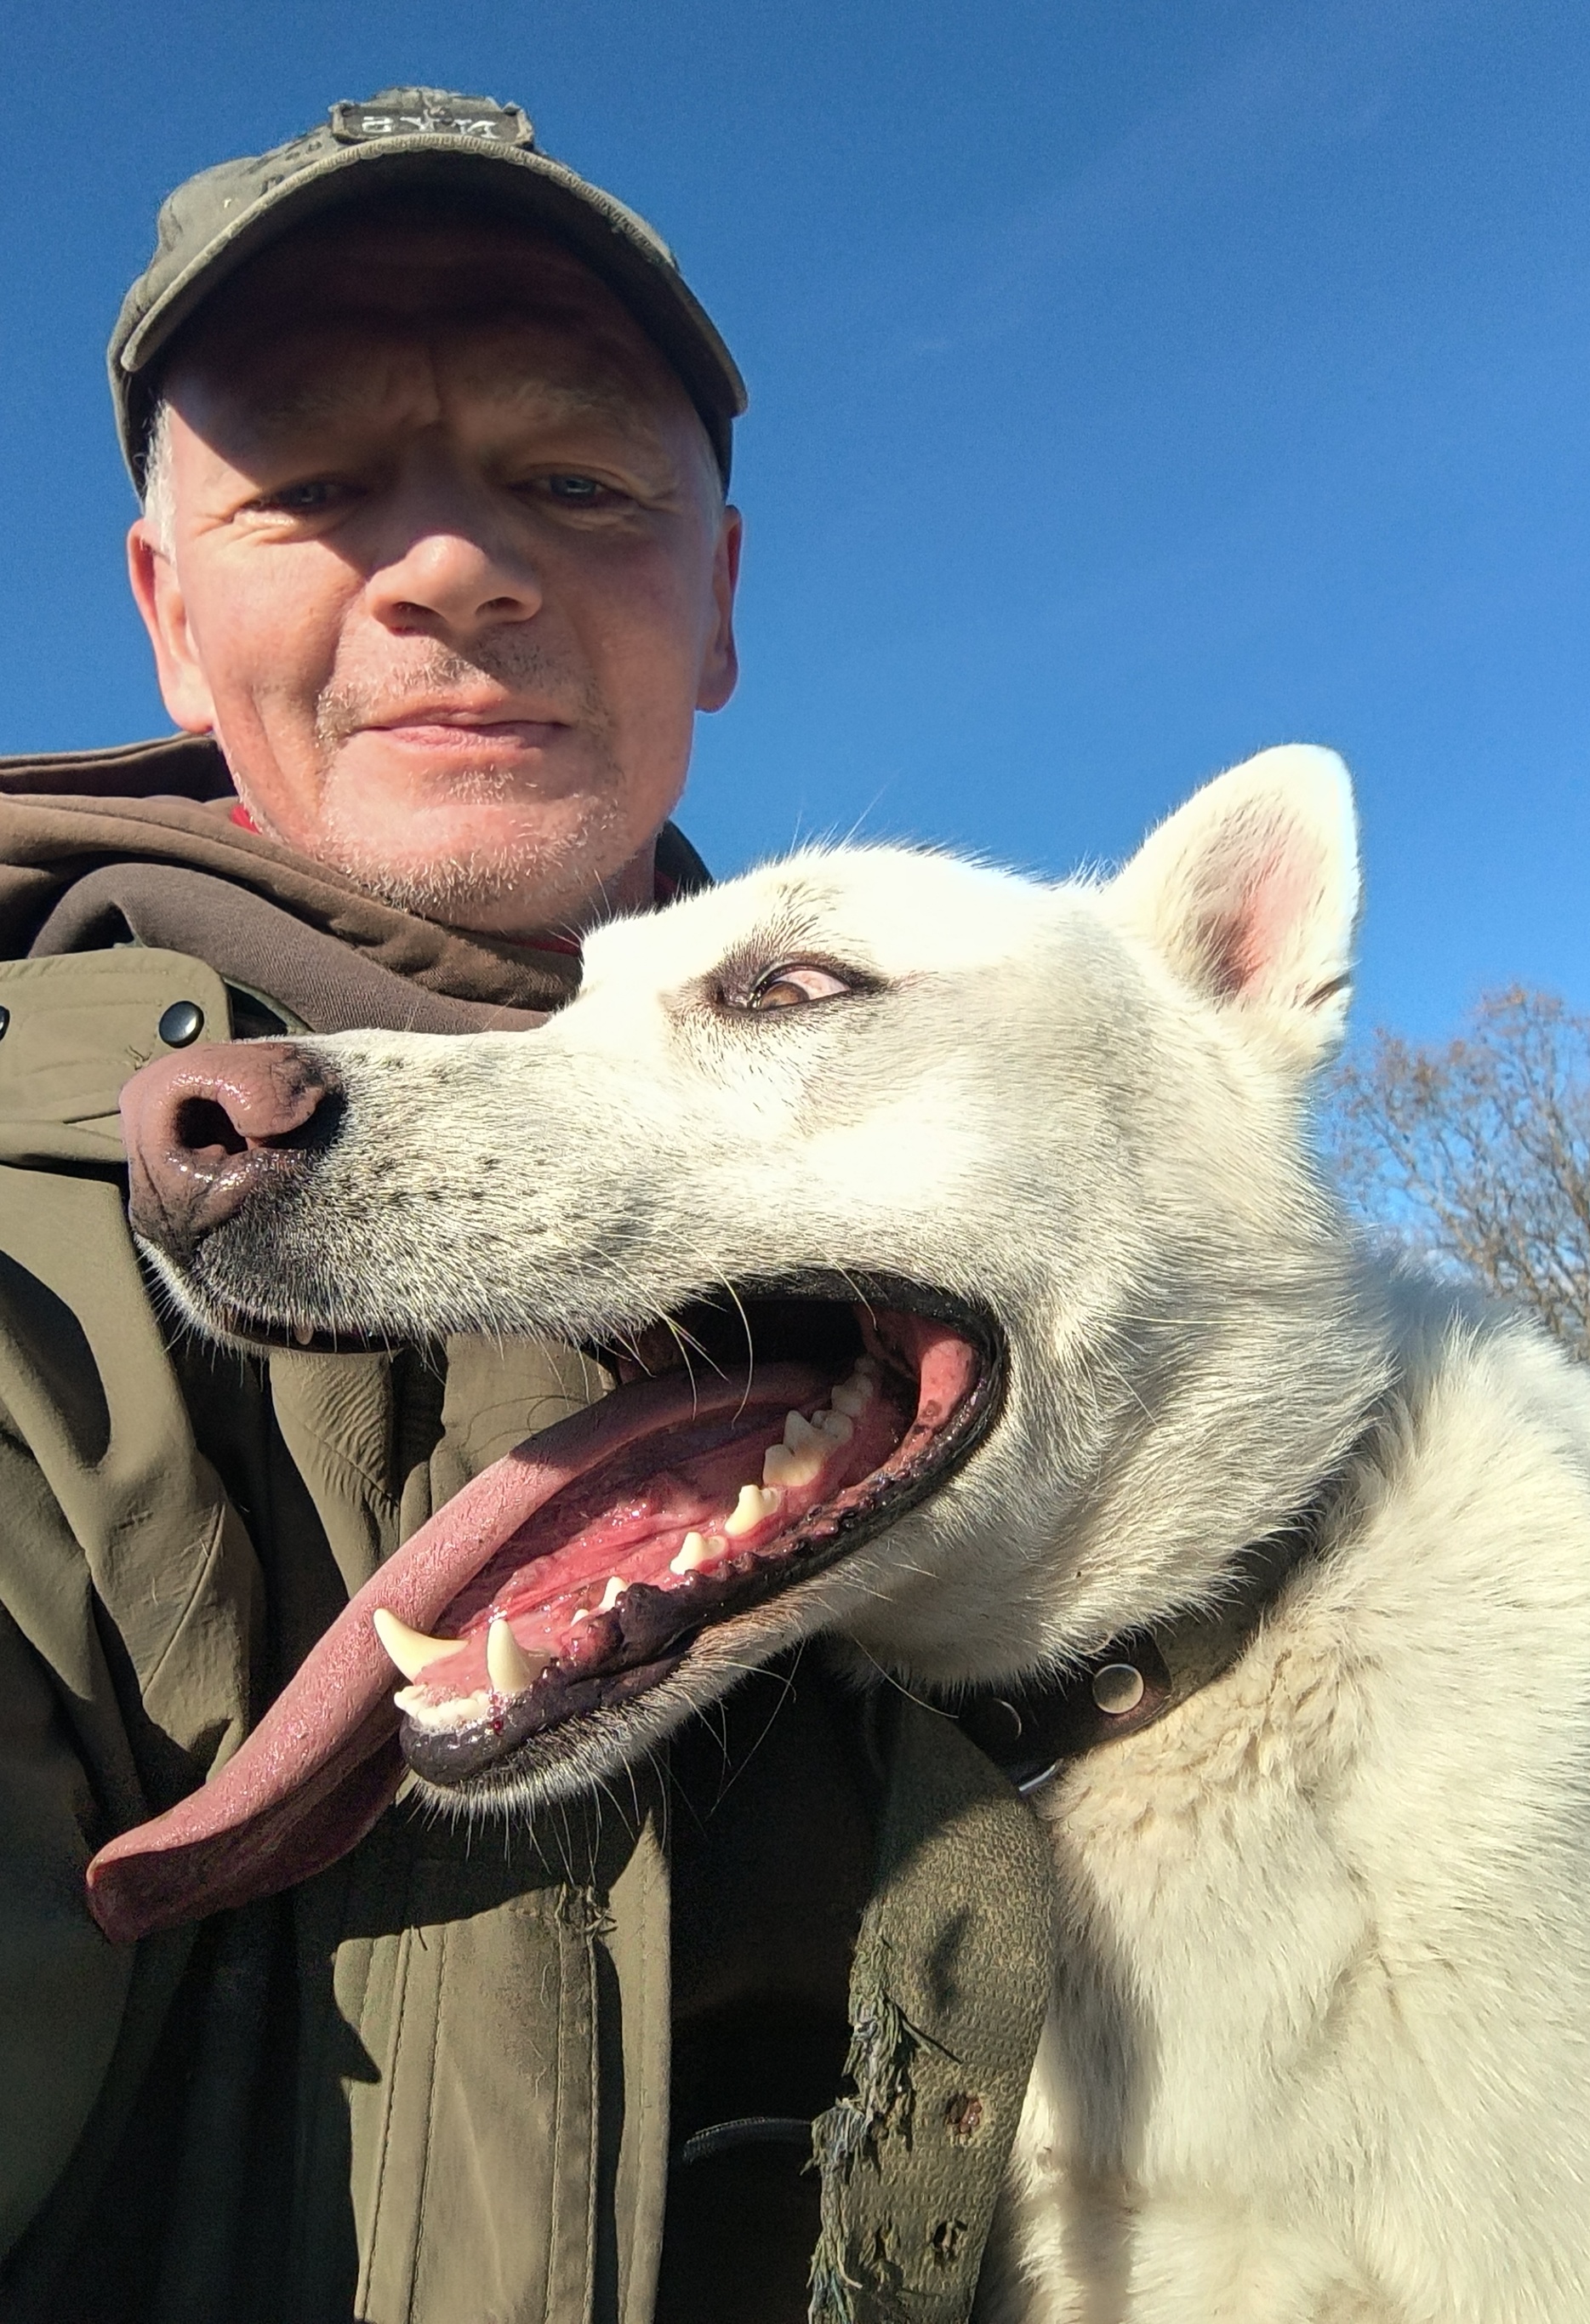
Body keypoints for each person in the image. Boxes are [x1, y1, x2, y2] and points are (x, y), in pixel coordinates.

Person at [0, 90, 1049, 2324]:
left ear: (720, 597)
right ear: (168, 616)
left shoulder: (1017, 1203)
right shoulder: (32, 1281)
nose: (454, 567)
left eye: (575, 480)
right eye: (311, 484)